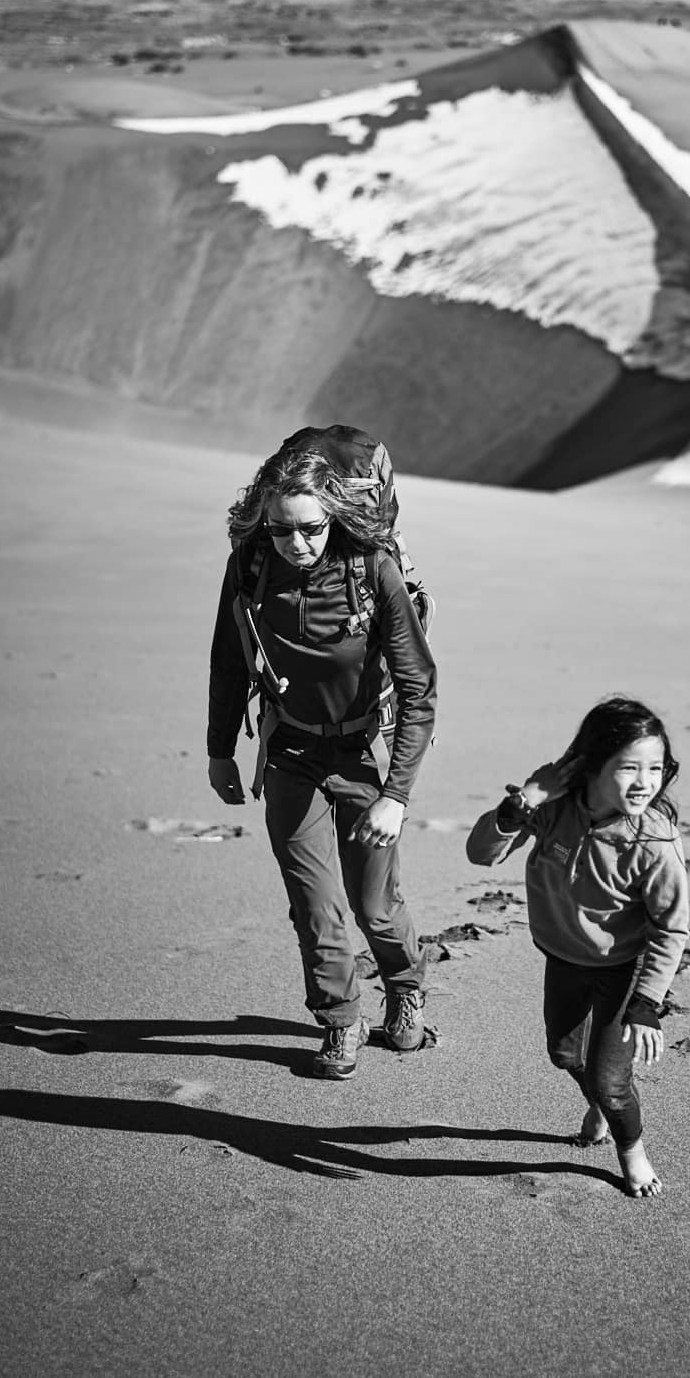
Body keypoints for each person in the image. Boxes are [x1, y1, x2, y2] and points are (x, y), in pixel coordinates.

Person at [207, 441, 437, 1080]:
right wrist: (220, 749)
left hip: (364, 753)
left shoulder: (372, 569)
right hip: (289, 752)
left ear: (333, 515)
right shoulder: (251, 563)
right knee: (315, 906)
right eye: (282, 529)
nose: (296, 543)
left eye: (310, 528)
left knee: (375, 906)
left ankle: (405, 985)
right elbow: (229, 658)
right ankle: (340, 1021)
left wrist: (397, 794)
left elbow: (419, 685)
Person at [465, 697, 689, 1197]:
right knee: (565, 1055)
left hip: (623, 970)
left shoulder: (653, 840)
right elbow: (481, 854)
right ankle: (600, 1104)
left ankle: (631, 1150)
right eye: (628, 768)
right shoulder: (555, 811)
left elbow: (671, 930)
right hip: (562, 956)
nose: (644, 782)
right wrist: (524, 800)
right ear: (590, 767)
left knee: (613, 1081)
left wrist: (647, 1005)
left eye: (655, 768)